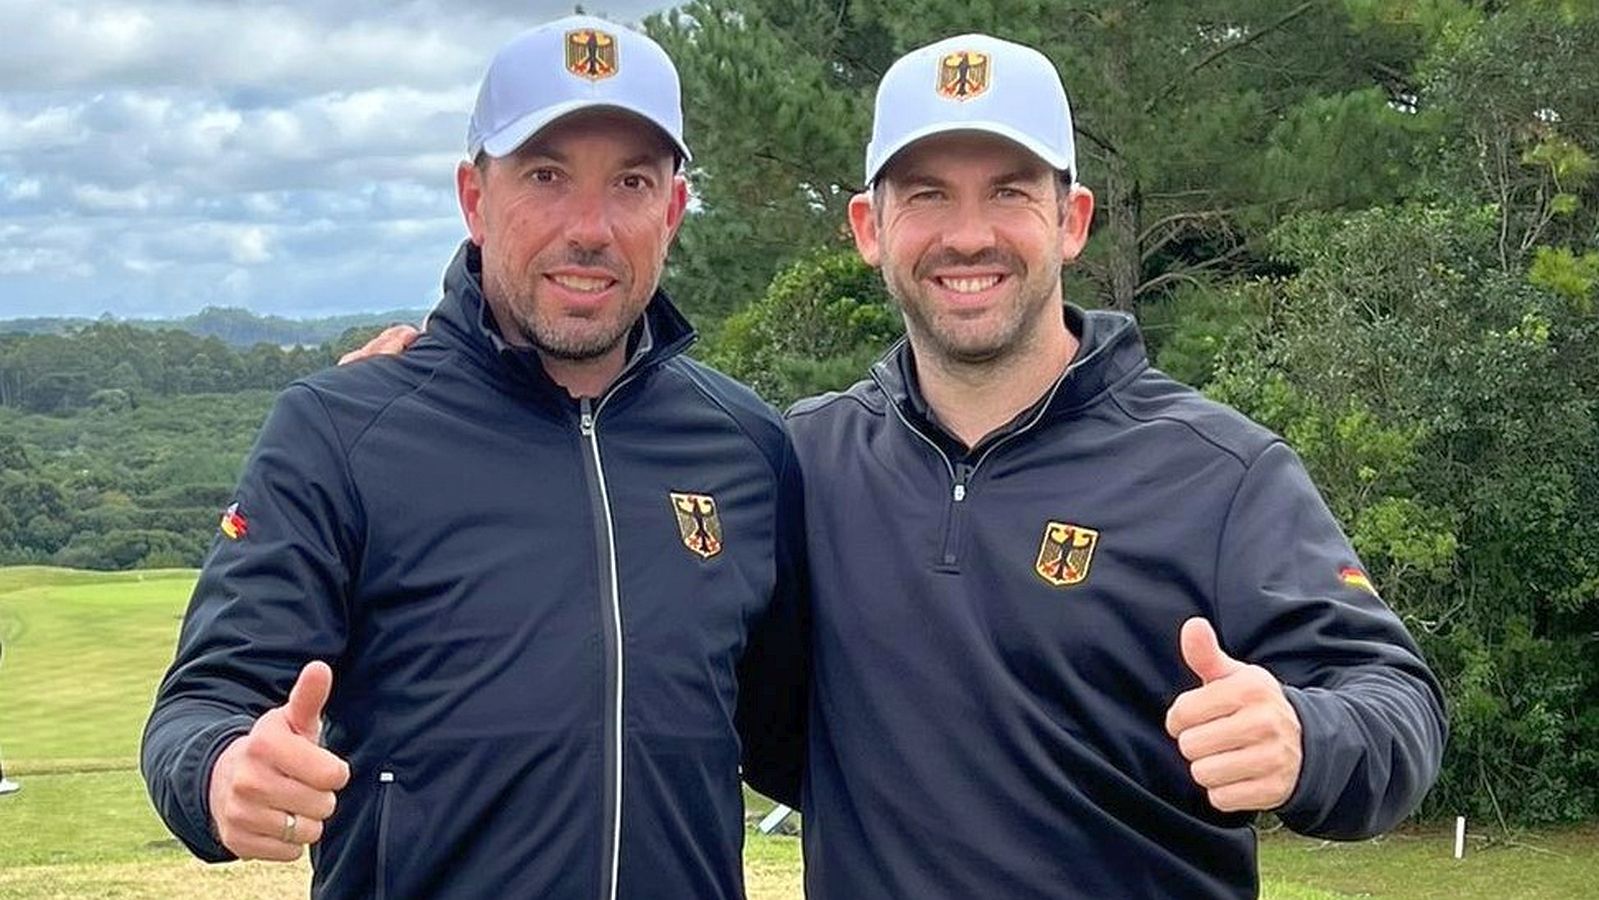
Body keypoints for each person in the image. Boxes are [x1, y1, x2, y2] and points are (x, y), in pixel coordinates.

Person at [140, 16, 807, 900]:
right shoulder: (340, 430)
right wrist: (223, 771)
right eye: (545, 176)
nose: (591, 227)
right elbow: (203, 700)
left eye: (632, 183)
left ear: (673, 210)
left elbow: (795, 738)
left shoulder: (746, 444)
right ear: (473, 198)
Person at [783, 33, 1447, 898]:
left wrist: (1305, 736)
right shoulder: (804, 459)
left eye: (1010, 192)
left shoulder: (1219, 472)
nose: (969, 234)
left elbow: (1397, 701)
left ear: (1072, 220)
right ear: (871, 229)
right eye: (927, 195)